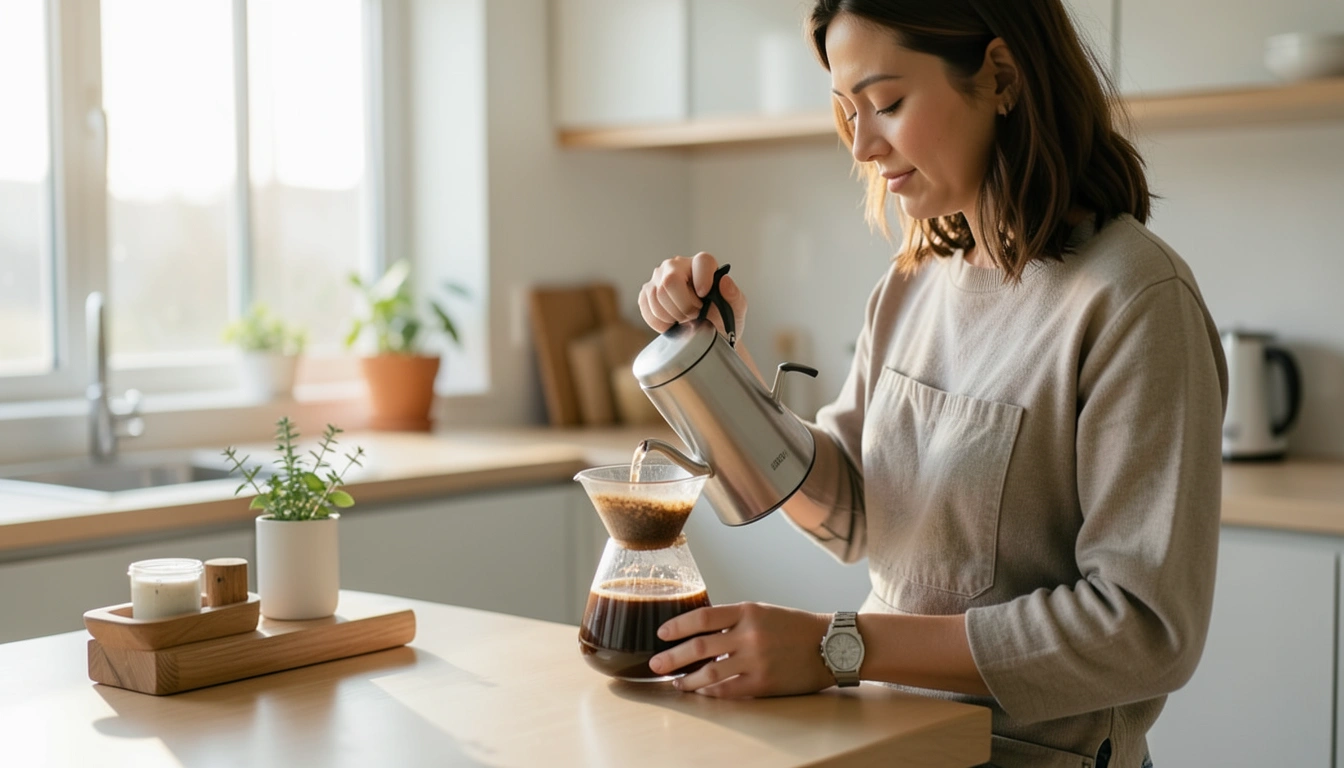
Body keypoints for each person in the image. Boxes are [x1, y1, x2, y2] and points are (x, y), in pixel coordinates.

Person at [635, 1, 1228, 766]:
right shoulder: (912, 287)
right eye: (846, 112)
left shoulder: (1132, 299)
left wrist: (836, 646)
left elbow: (1145, 632)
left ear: (1001, 77)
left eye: (886, 103)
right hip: (885, 745)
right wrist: (719, 374)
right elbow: (851, 512)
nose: (862, 142)